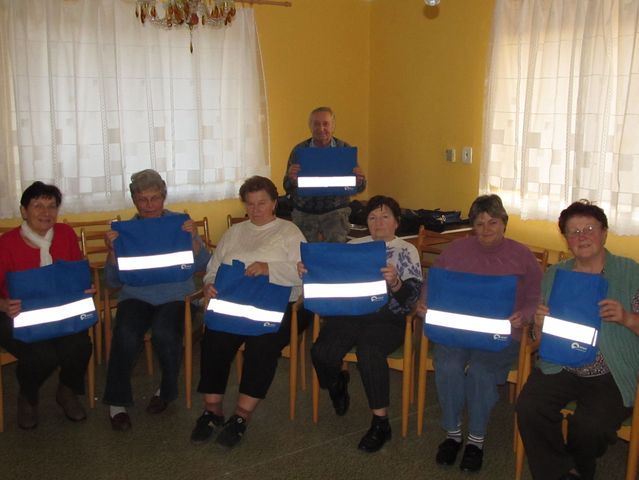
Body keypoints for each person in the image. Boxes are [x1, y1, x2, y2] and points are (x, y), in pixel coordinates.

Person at [516, 200, 639, 480]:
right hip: (560, 365)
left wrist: (626, 318)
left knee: (590, 426)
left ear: (604, 233)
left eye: (589, 229)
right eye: (574, 231)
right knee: (529, 408)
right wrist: (538, 324)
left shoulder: (630, 273)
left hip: (611, 370)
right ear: (566, 239)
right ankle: (564, 472)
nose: (582, 237)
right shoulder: (555, 274)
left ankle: (573, 468)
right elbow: (537, 337)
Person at [423, 194, 542, 472]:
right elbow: (433, 282)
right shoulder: (456, 250)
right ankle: (453, 434)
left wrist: (524, 315)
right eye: (479, 223)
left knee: (481, 372)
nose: (486, 229)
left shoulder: (522, 255)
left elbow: (535, 296)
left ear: (504, 223)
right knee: (447, 365)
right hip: (458, 329)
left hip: (501, 334)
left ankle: (476, 440)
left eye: (493, 222)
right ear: (472, 226)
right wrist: (424, 301)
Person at [190, 176, 309, 448]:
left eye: (262, 203)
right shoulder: (234, 233)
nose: (255, 210)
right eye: (250, 204)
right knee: (214, 339)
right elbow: (213, 268)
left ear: (274, 203)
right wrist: (209, 285)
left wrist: (269, 269)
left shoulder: (289, 232)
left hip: (276, 307)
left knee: (262, 345)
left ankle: (241, 415)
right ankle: (212, 410)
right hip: (235, 305)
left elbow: (305, 273)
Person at [306, 195, 422, 452]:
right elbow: (332, 278)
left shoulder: (406, 250)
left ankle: (381, 423)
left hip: (387, 319)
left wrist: (396, 283)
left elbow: (411, 299)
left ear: (396, 222)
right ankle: (337, 383)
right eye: (372, 217)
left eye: (385, 216)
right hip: (350, 314)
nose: (378, 222)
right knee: (321, 352)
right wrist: (309, 271)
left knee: (369, 352)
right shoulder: (354, 245)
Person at [103, 169, 210, 432]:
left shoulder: (180, 224)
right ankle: (116, 401)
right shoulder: (125, 232)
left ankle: (166, 391)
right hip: (136, 296)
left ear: (164, 197)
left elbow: (203, 265)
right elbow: (113, 281)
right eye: (143, 199)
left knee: (165, 332)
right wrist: (112, 252)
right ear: (134, 200)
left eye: (155, 198)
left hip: (176, 296)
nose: (149, 205)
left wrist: (194, 239)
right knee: (125, 333)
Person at [0, 181, 93, 429]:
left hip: (59, 313)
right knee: (42, 356)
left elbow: (74, 273)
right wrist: (4, 305)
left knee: (80, 346)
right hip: (15, 315)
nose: (46, 212)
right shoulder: (6, 243)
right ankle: (28, 398)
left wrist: (84, 288)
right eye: (38, 206)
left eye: (51, 206)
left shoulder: (65, 234)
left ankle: (66, 391)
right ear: (24, 211)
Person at [283, 106, 366, 243]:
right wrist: (291, 179)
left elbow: (360, 187)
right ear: (310, 126)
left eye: (325, 124)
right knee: (304, 252)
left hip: (336, 213)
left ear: (333, 126)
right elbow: (286, 186)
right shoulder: (299, 150)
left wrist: (359, 180)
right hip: (305, 214)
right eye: (316, 124)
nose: (321, 128)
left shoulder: (344, 149)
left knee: (335, 253)